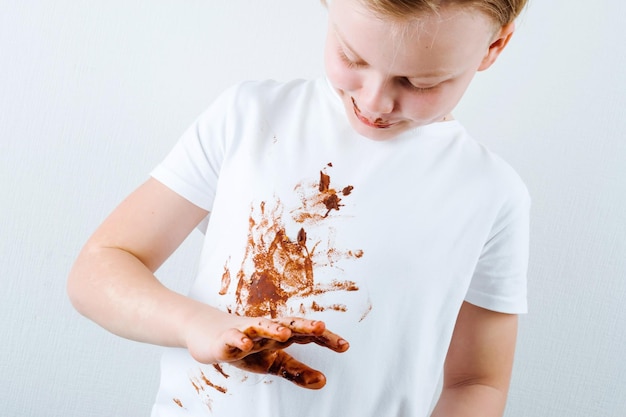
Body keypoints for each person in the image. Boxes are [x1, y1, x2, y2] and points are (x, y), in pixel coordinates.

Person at [68, 0, 530, 416]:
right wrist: (199, 326)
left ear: (494, 47)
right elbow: (98, 270)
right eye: (353, 57)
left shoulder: (491, 193)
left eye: (419, 81)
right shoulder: (249, 118)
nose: (374, 101)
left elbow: (477, 381)